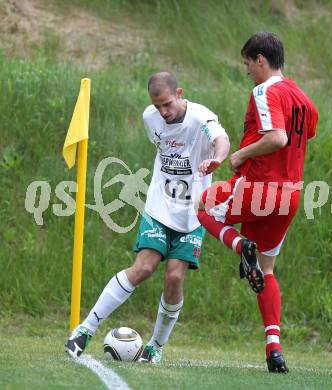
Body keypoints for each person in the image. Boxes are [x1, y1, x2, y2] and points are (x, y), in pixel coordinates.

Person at [66, 71, 230, 363]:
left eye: (167, 104)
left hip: (194, 213)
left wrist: (216, 158)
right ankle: (85, 329)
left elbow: (221, 139)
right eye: (158, 106)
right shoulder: (150, 118)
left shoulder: (201, 118)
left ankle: (155, 346)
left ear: (179, 93)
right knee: (143, 268)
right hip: (159, 206)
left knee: (175, 277)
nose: (163, 112)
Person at [197, 32, 318, 373]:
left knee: (201, 206)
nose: (247, 71)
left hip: (258, 187)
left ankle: (240, 245)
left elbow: (277, 137)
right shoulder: (303, 98)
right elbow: (305, 133)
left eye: (248, 63)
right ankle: (274, 348)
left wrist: (241, 153)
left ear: (261, 60)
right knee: (266, 270)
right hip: (290, 196)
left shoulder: (265, 91)